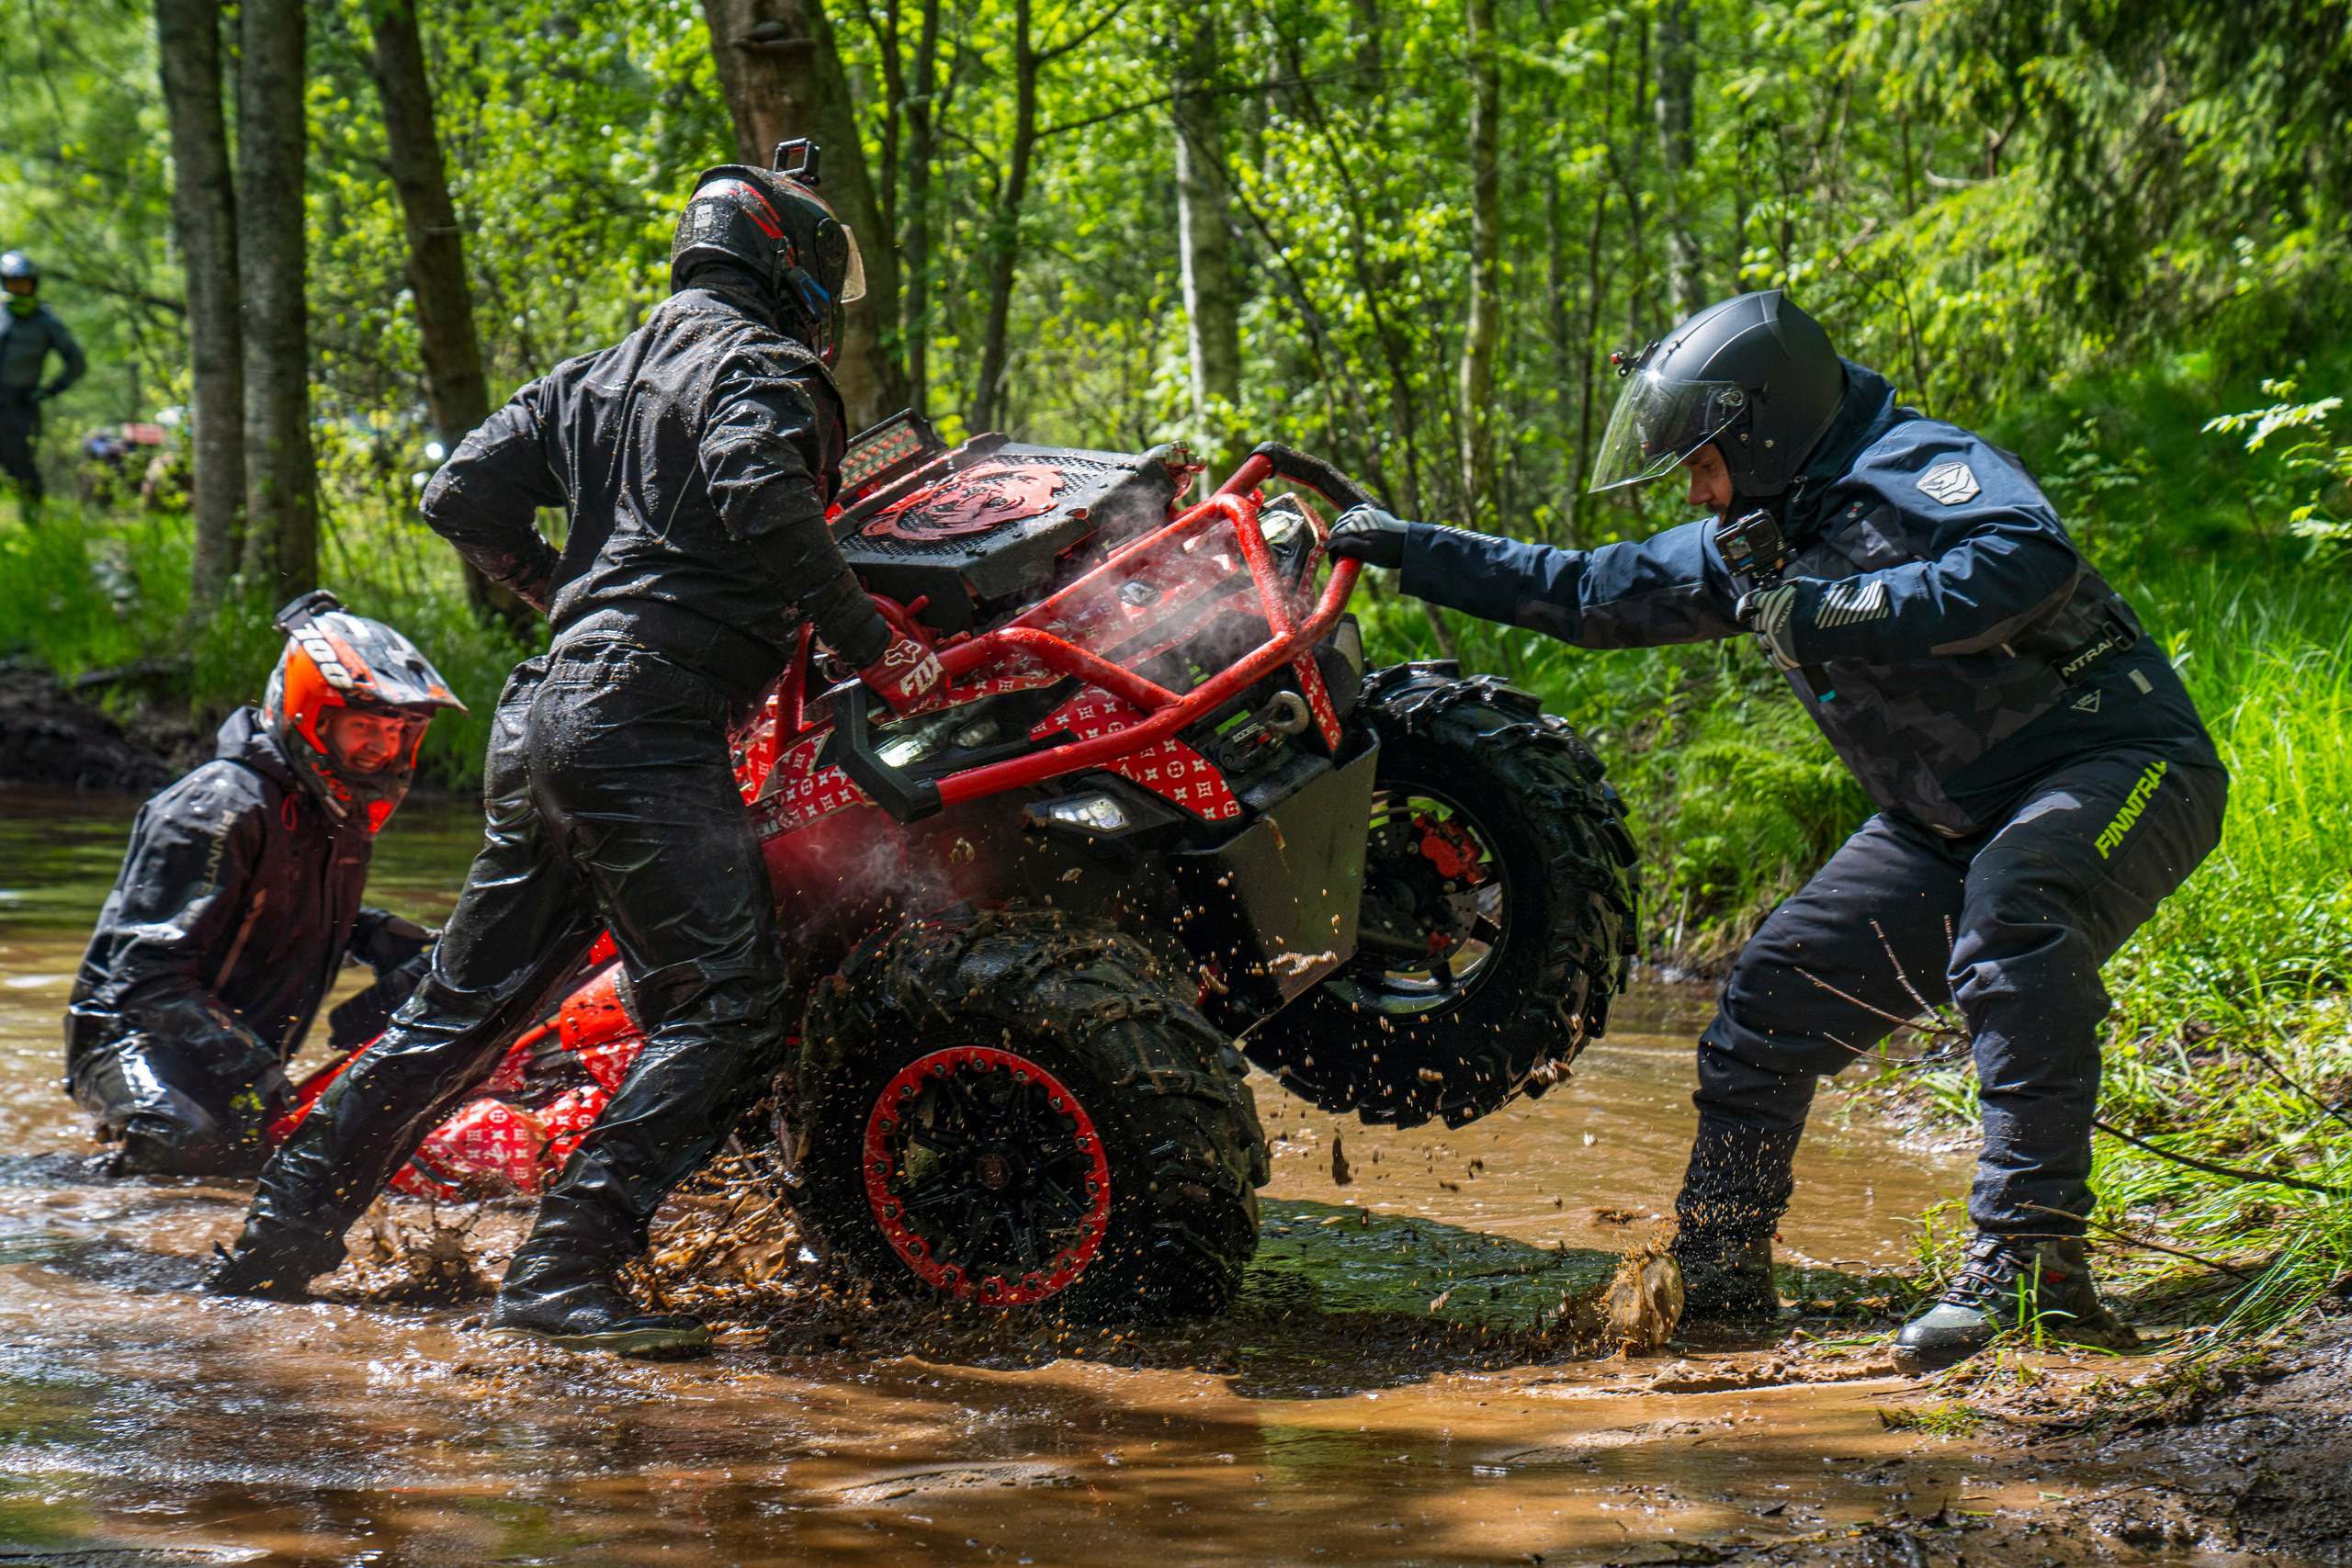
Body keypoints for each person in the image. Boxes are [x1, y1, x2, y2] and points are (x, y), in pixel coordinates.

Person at [1326, 290, 2226, 1371]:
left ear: (1765, 427)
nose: (1696, 490)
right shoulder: (1754, 538)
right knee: (1769, 997)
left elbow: (2024, 560)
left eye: (1704, 462)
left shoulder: (1915, 464)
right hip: (1941, 822)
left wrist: (1843, 609)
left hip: (2116, 767)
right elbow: (1581, 591)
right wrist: (1407, 547)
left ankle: (2034, 1263)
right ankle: (1717, 1269)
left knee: (2017, 918)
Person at [205, 146, 946, 1358]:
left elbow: (457, 491)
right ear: (787, 267)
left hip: (544, 714)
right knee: (733, 1005)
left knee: (454, 1018)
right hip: (644, 724)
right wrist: (878, 647)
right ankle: (563, 1266)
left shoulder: (601, 373)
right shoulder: (757, 361)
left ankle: (268, 1253)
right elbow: (765, 496)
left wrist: (561, 592)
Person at [67, 592, 461, 1176]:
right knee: (184, 1138)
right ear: (314, 714)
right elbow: (145, 979)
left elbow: (272, 905)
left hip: (236, 1049)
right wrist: (257, 1068)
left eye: (400, 731)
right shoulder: (216, 806)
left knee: (257, 1154)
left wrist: (389, 941)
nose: (383, 749)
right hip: (129, 1039)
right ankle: (98, 1220)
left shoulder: (340, 812)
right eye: (364, 727)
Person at [1, 251, 86, 520]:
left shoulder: (46, 323)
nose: (19, 288)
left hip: (19, 404)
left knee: (19, 464)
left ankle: (32, 524)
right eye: (13, 283)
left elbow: (76, 362)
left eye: (24, 282)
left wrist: (51, 390)